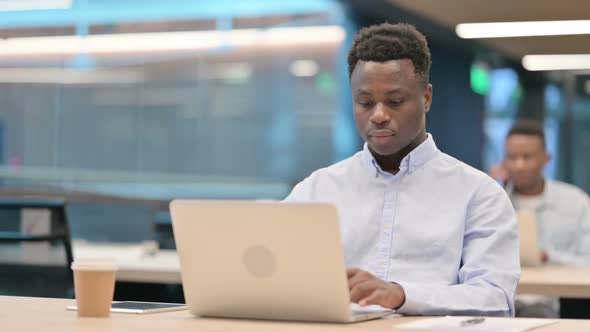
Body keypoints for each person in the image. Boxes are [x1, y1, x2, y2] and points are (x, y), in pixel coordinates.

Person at [284, 22, 520, 316]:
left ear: (426, 98)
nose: (379, 115)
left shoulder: (479, 194)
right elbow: (277, 277)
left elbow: (495, 298)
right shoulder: (316, 189)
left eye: (395, 101)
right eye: (365, 102)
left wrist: (401, 295)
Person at [489, 119, 590, 317]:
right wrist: (491, 188)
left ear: (546, 158)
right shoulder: (493, 200)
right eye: (512, 157)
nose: (519, 165)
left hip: (549, 302)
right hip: (497, 300)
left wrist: (548, 256)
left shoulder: (575, 202)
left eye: (527, 157)